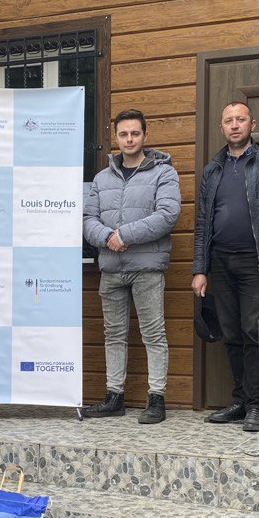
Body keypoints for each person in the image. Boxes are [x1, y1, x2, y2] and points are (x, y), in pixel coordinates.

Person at [192, 101, 259, 432]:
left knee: (255, 333)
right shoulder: (213, 169)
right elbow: (202, 222)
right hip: (220, 263)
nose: (235, 125)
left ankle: (256, 405)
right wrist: (200, 269)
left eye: (240, 119)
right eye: (229, 121)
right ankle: (240, 401)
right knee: (231, 333)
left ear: (253, 124)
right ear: (221, 128)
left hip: (258, 263)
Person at [82, 109, 182, 424]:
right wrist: (107, 239)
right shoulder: (102, 178)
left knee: (153, 333)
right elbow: (88, 219)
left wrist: (123, 235)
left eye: (135, 133)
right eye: (123, 134)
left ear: (145, 136)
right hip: (111, 268)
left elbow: (167, 215)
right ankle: (114, 397)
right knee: (113, 334)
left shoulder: (164, 173)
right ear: (116, 137)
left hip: (147, 267)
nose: (129, 139)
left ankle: (156, 399)